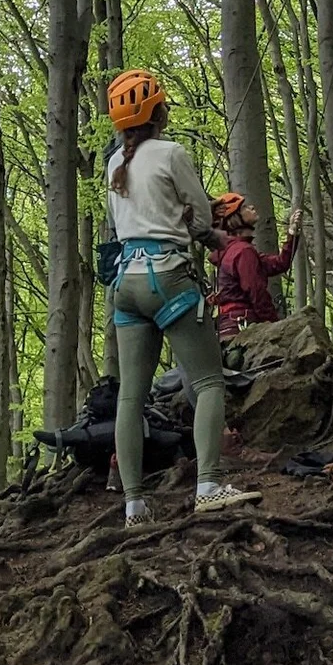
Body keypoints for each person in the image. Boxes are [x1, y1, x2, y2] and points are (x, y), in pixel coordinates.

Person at [103, 68, 259, 520]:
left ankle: (134, 506)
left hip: (127, 283)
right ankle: (208, 485)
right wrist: (211, 235)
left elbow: (124, 222)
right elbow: (200, 216)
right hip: (167, 277)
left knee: (131, 397)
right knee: (209, 381)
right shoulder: (171, 153)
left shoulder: (114, 163)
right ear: (157, 112)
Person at [213, 193, 302, 339]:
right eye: (244, 207)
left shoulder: (234, 250)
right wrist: (275, 325)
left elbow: (280, 263)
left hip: (231, 327)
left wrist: (292, 233)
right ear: (234, 218)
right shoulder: (242, 251)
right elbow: (256, 292)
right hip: (243, 327)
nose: (252, 207)